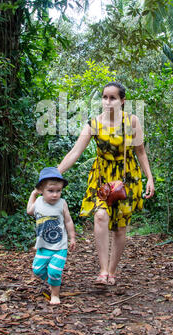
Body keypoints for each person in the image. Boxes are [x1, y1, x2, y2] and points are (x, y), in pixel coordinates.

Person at [58, 81, 154, 285]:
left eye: (113, 98)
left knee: (119, 227)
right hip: (102, 178)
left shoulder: (132, 122)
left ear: (122, 101)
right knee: (100, 216)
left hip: (126, 178)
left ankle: (112, 271)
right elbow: (75, 152)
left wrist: (150, 178)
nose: (108, 102)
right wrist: (54, 174)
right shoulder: (94, 124)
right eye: (104, 97)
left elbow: (141, 152)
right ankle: (102, 271)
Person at [27, 167, 76, 304]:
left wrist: (72, 237)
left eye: (58, 191)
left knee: (54, 271)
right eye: (50, 191)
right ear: (41, 190)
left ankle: (55, 295)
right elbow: (29, 211)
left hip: (60, 245)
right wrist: (33, 195)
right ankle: (54, 281)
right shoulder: (38, 203)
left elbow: (68, 220)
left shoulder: (62, 203)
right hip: (43, 246)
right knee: (37, 270)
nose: (55, 195)